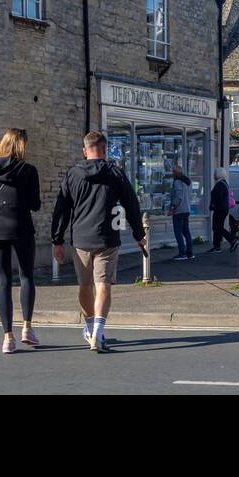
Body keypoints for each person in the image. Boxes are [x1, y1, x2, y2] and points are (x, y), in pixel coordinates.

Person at [50, 131, 147, 353]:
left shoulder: (72, 175)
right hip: (107, 238)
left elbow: (61, 208)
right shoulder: (115, 173)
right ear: (104, 150)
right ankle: (99, 333)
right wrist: (138, 234)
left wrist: (57, 240)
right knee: (103, 285)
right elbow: (131, 204)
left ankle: (89, 327)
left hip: (80, 239)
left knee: (84, 285)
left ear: (85, 150)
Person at [0, 128, 42, 354]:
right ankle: (27, 328)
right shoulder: (28, 170)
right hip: (21, 228)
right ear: (21, 145)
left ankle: (8, 338)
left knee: (3, 282)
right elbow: (36, 204)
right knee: (26, 277)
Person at [168, 165, 194, 261]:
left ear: (176, 173)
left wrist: (173, 207)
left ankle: (182, 253)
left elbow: (179, 196)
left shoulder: (177, 181)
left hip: (179, 210)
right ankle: (189, 253)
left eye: (173, 171)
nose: (172, 173)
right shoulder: (186, 181)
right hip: (187, 209)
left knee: (178, 232)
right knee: (186, 231)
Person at [209, 170, 238, 253]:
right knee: (217, 227)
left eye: (214, 173)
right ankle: (217, 246)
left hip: (219, 209)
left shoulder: (219, 184)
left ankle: (232, 240)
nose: (213, 175)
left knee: (217, 227)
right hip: (223, 209)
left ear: (218, 174)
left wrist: (213, 205)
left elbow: (219, 197)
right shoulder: (224, 183)